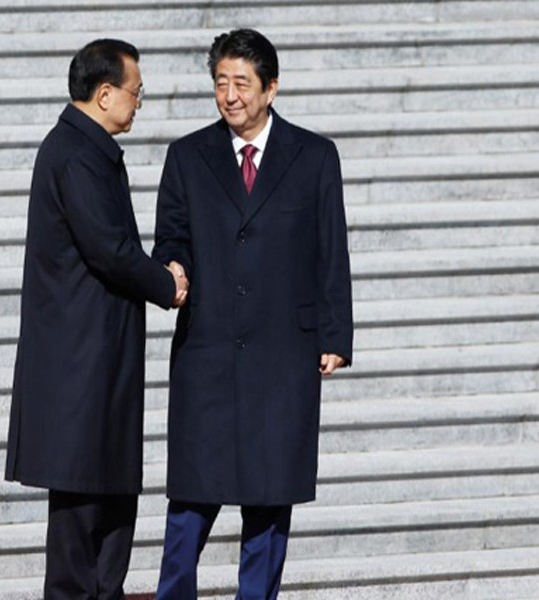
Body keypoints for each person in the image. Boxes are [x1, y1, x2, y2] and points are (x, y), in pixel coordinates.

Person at [152, 29, 353, 599]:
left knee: (268, 503)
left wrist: (335, 333)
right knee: (190, 502)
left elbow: (330, 249)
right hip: (207, 351)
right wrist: (174, 267)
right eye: (221, 82)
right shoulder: (187, 156)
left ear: (271, 88)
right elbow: (171, 236)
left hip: (281, 354)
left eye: (242, 82)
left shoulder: (313, 156)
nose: (230, 95)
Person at [4, 38, 188, 600]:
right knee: (81, 515)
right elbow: (109, 249)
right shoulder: (74, 154)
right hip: (78, 365)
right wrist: (168, 282)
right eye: (135, 93)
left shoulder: (87, 149)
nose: (138, 104)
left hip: (100, 359)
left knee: (108, 507)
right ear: (104, 93)